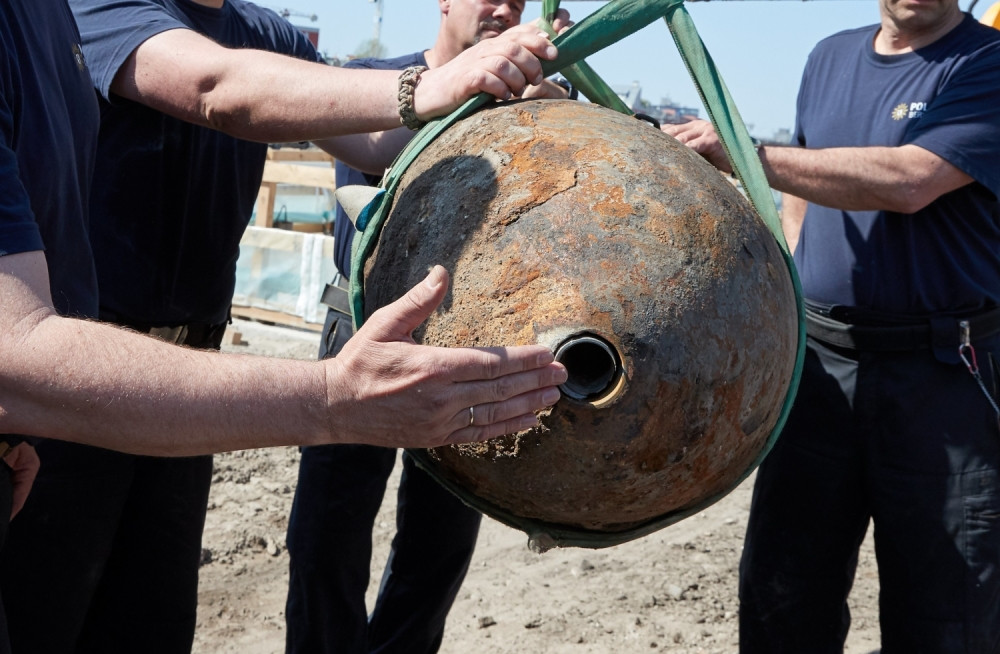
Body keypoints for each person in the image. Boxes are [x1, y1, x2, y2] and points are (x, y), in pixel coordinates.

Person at [0, 1, 568, 652]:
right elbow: (219, 88)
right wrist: (430, 84)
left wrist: (490, 91)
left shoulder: (265, 32)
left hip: (186, 392)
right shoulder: (105, 7)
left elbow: (372, 138)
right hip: (82, 383)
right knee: (45, 619)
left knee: (149, 626)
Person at [663, 1, 1000, 651]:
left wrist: (743, 152)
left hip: (942, 381)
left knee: (946, 616)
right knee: (783, 598)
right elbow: (802, 188)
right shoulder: (828, 58)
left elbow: (911, 182)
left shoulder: (987, 64)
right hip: (819, 373)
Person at [284, 3, 569, 653]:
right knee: (327, 535)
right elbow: (379, 159)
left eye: (519, 3)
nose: (503, 8)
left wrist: (546, 96)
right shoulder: (371, 83)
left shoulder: (529, 103)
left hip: (472, 338)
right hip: (358, 331)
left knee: (439, 546)